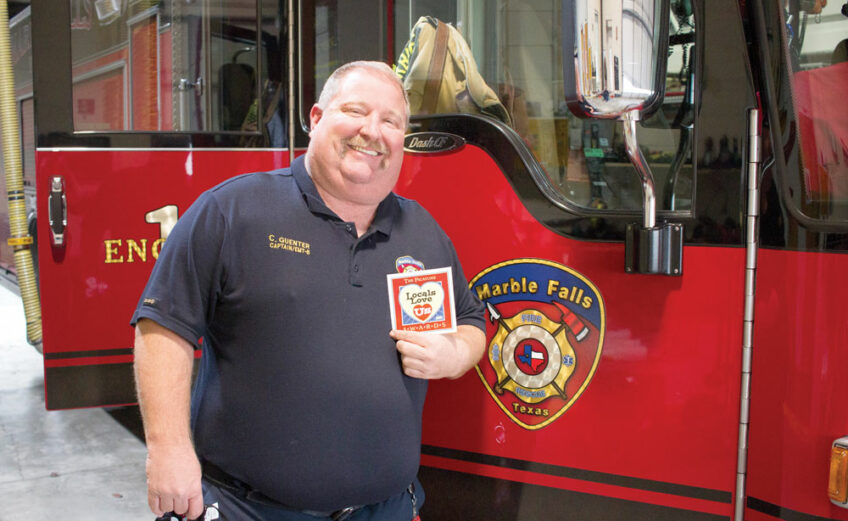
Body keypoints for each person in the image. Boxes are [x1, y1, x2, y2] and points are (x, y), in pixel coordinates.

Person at [131, 60, 486, 521]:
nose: (372, 131)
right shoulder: (232, 211)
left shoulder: (421, 230)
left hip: (389, 508)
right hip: (248, 509)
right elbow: (164, 325)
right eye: (355, 111)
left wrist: (455, 354)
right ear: (316, 119)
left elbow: (472, 320)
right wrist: (168, 450)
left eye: (390, 121)